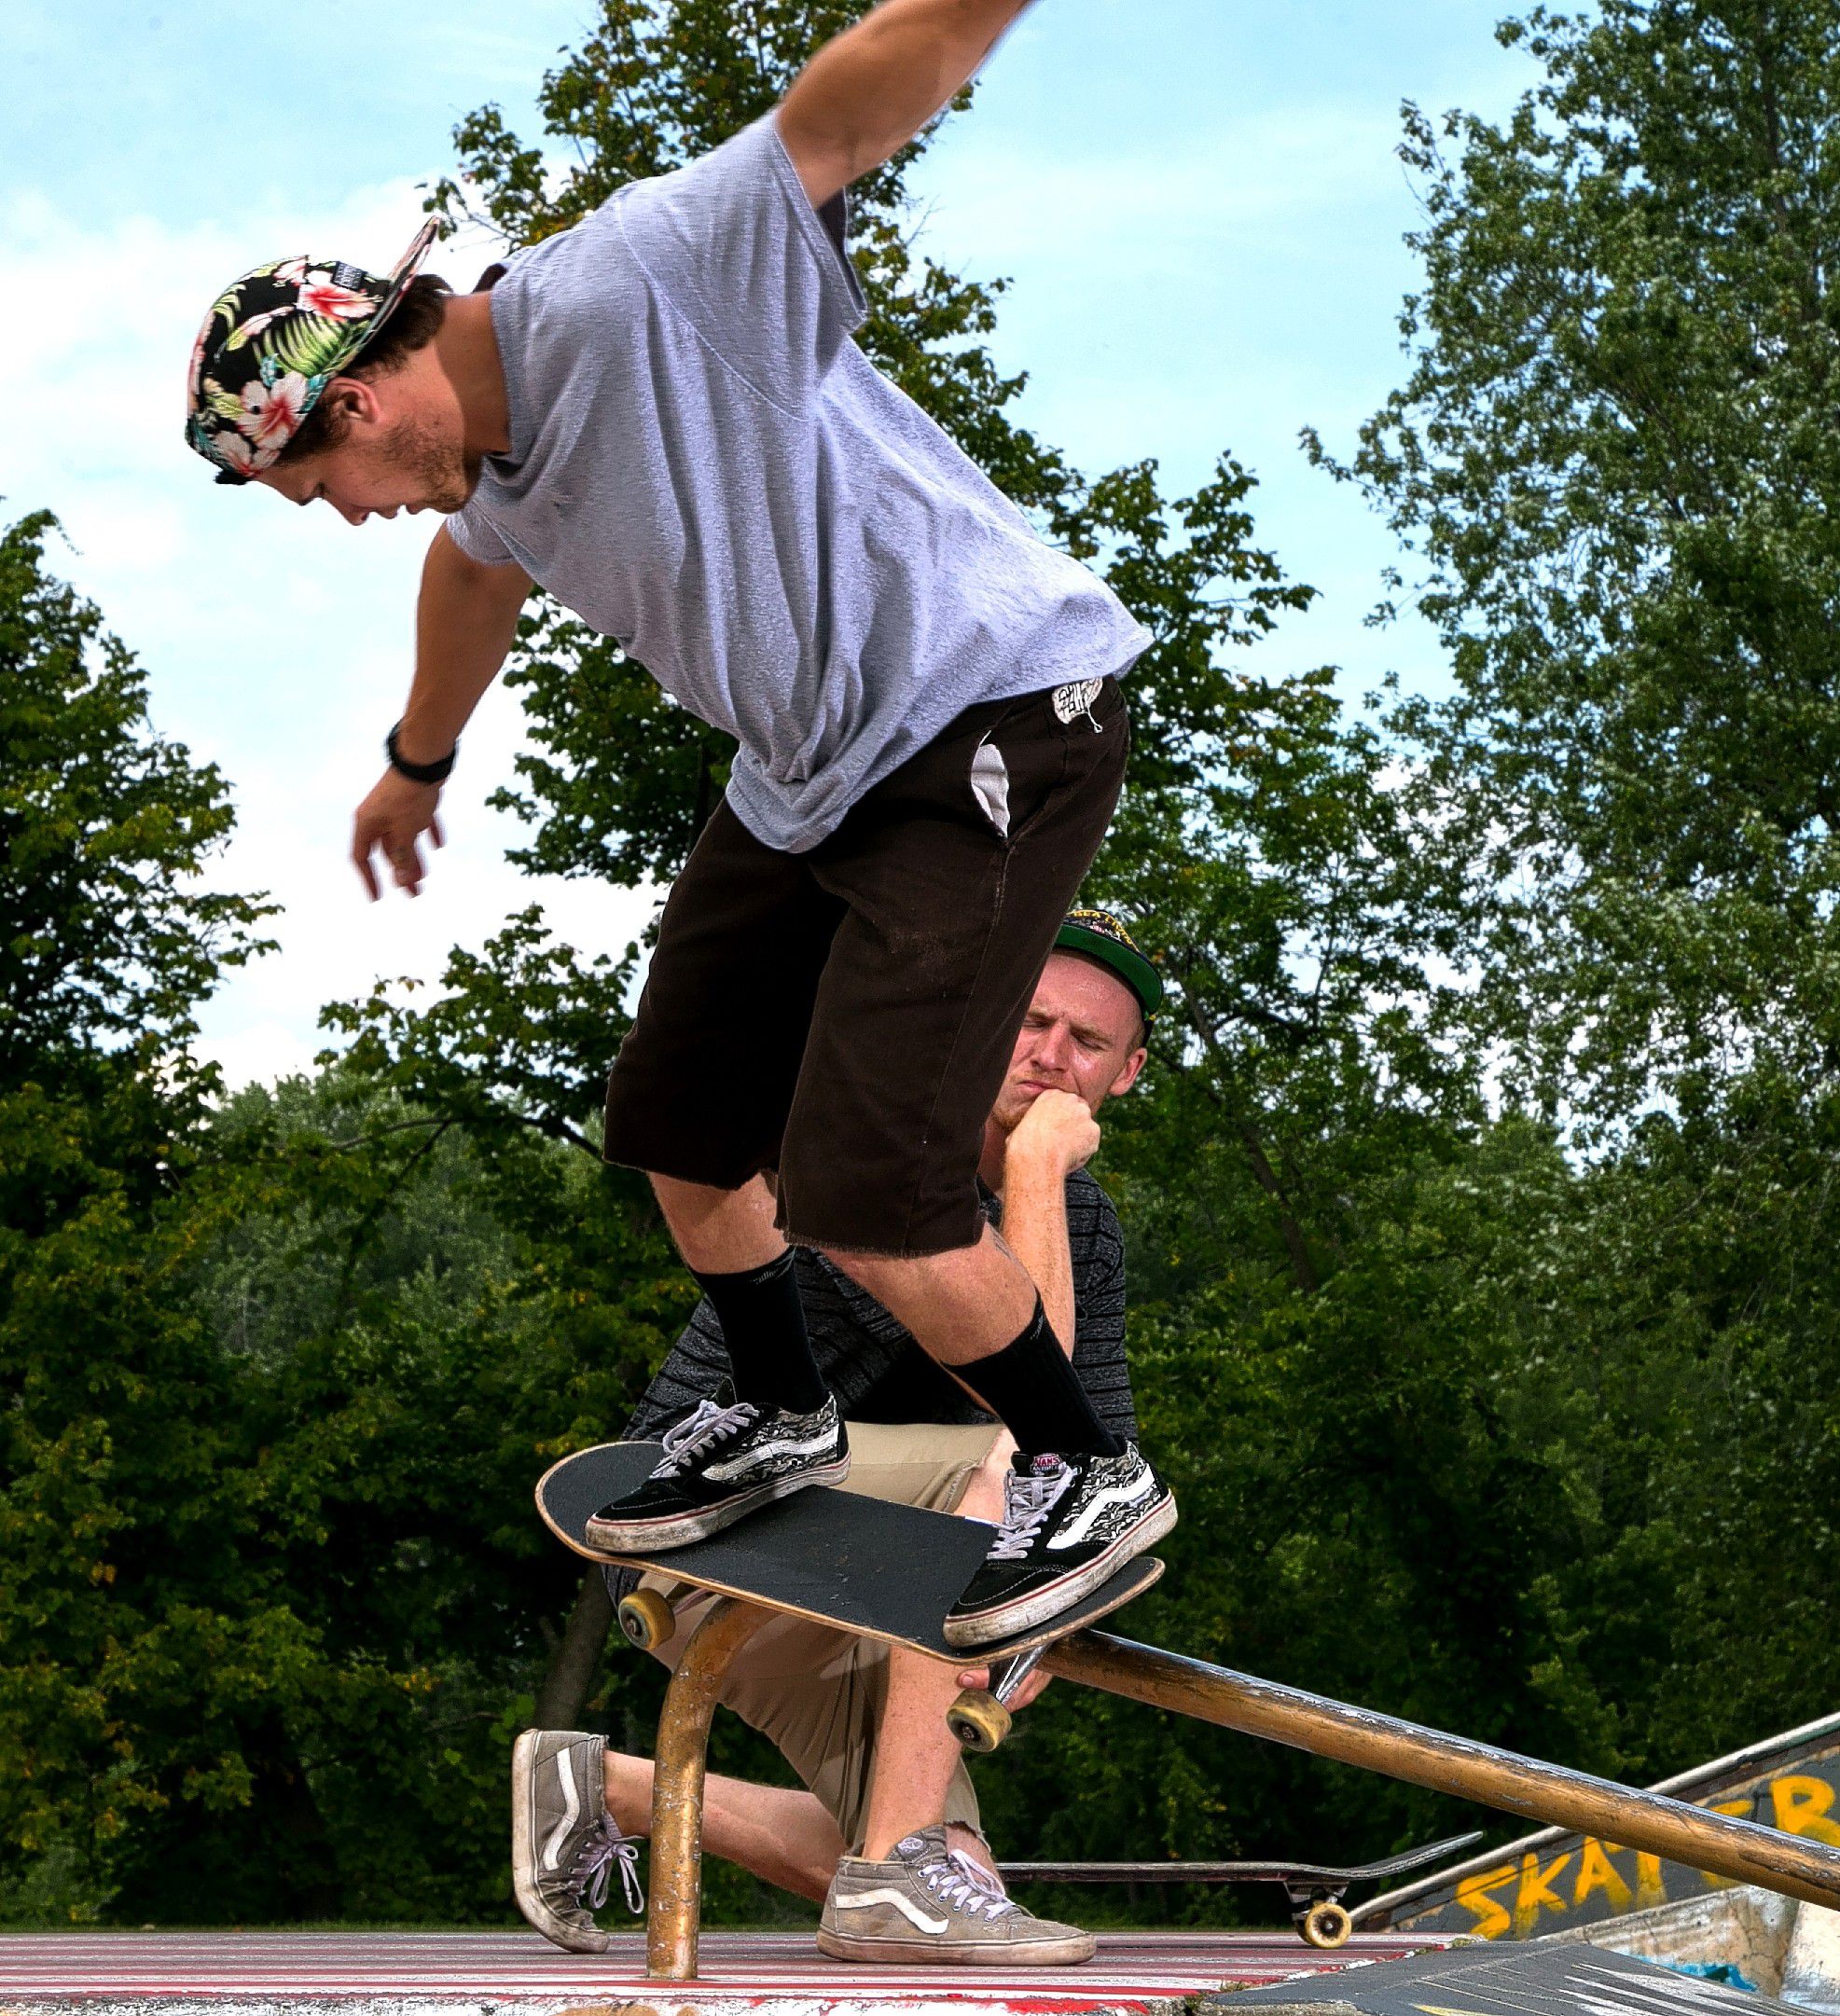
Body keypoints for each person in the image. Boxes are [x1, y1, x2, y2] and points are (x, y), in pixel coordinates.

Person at [182, 0, 1174, 1647]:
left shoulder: (639, 275)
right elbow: (473, 571)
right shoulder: (492, 476)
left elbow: (843, 113)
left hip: (989, 712)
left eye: (318, 490)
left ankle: (1085, 1462)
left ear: (348, 406)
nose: (349, 518)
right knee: (679, 1126)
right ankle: (777, 1407)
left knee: (870, 1187)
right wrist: (416, 763)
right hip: (810, 773)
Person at [510, 915, 1160, 1965]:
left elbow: (1098, 1471)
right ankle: (901, 1857)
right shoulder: (885, 1163)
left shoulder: (1086, 1228)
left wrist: (1039, 1618)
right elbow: (1030, 1421)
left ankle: (605, 1789)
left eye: (1084, 1042)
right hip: (698, 1517)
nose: (1049, 1055)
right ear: (982, 1022)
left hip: (868, 1559)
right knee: (1024, 1456)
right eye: (1028, 1020)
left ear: (1125, 1073)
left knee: (959, 1875)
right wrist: (1036, 1170)